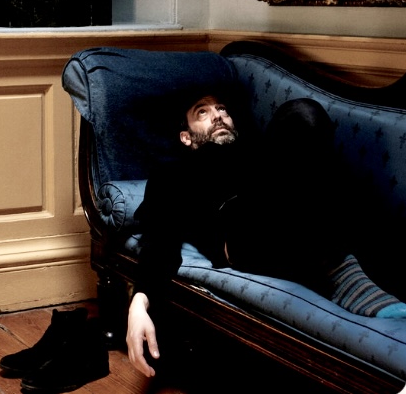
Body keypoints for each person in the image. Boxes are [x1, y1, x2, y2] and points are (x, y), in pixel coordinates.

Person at [126, 93, 406, 379]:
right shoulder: (173, 174)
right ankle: (339, 273)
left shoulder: (258, 150)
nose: (218, 115)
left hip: (295, 208)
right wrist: (140, 301)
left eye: (222, 109)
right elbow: (160, 236)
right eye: (203, 112)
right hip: (242, 231)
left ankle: (355, 266)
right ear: (186, 137)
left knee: (303, 117)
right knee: (300, 128)